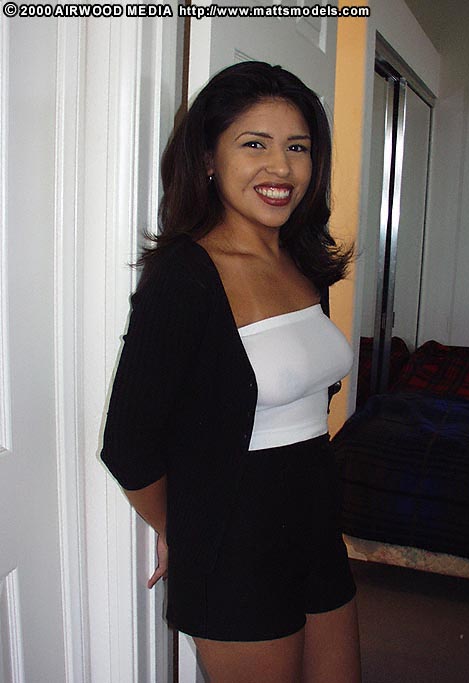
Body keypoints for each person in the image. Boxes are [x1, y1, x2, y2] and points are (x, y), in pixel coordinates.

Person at [101, 61, 361, 682]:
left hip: (315, 523)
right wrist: (183, 526)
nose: (281, 168)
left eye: (297, 147)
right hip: (235, 541)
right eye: (254, 144)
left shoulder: (302, 259)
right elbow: (128, 444)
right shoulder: (184, 277)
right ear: (209, 159)